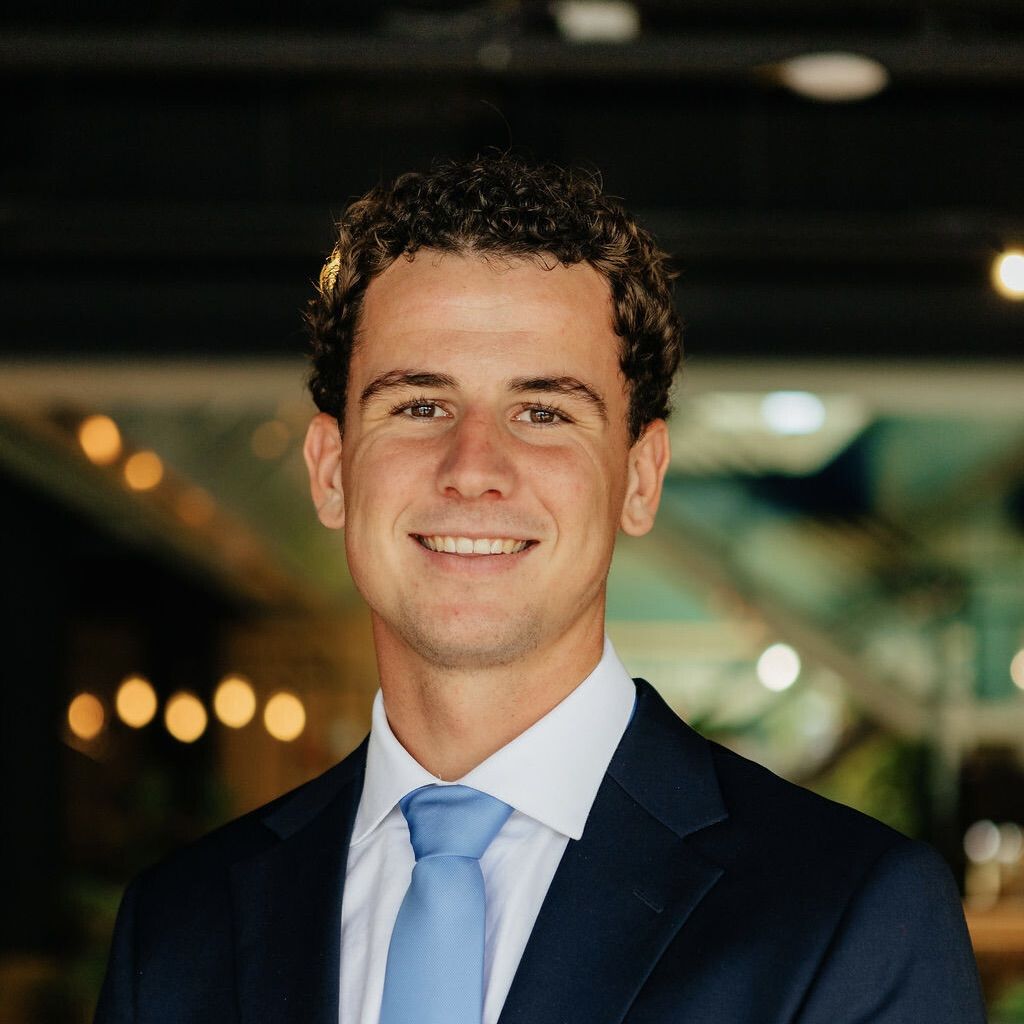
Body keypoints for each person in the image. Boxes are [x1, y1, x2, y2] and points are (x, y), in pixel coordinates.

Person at [95, 153, 986, 1024]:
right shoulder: (177, 929)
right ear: (331, 471)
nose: (473, 467)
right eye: (420, 405)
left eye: (543, 412)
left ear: (641, 479)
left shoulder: (850, 917)